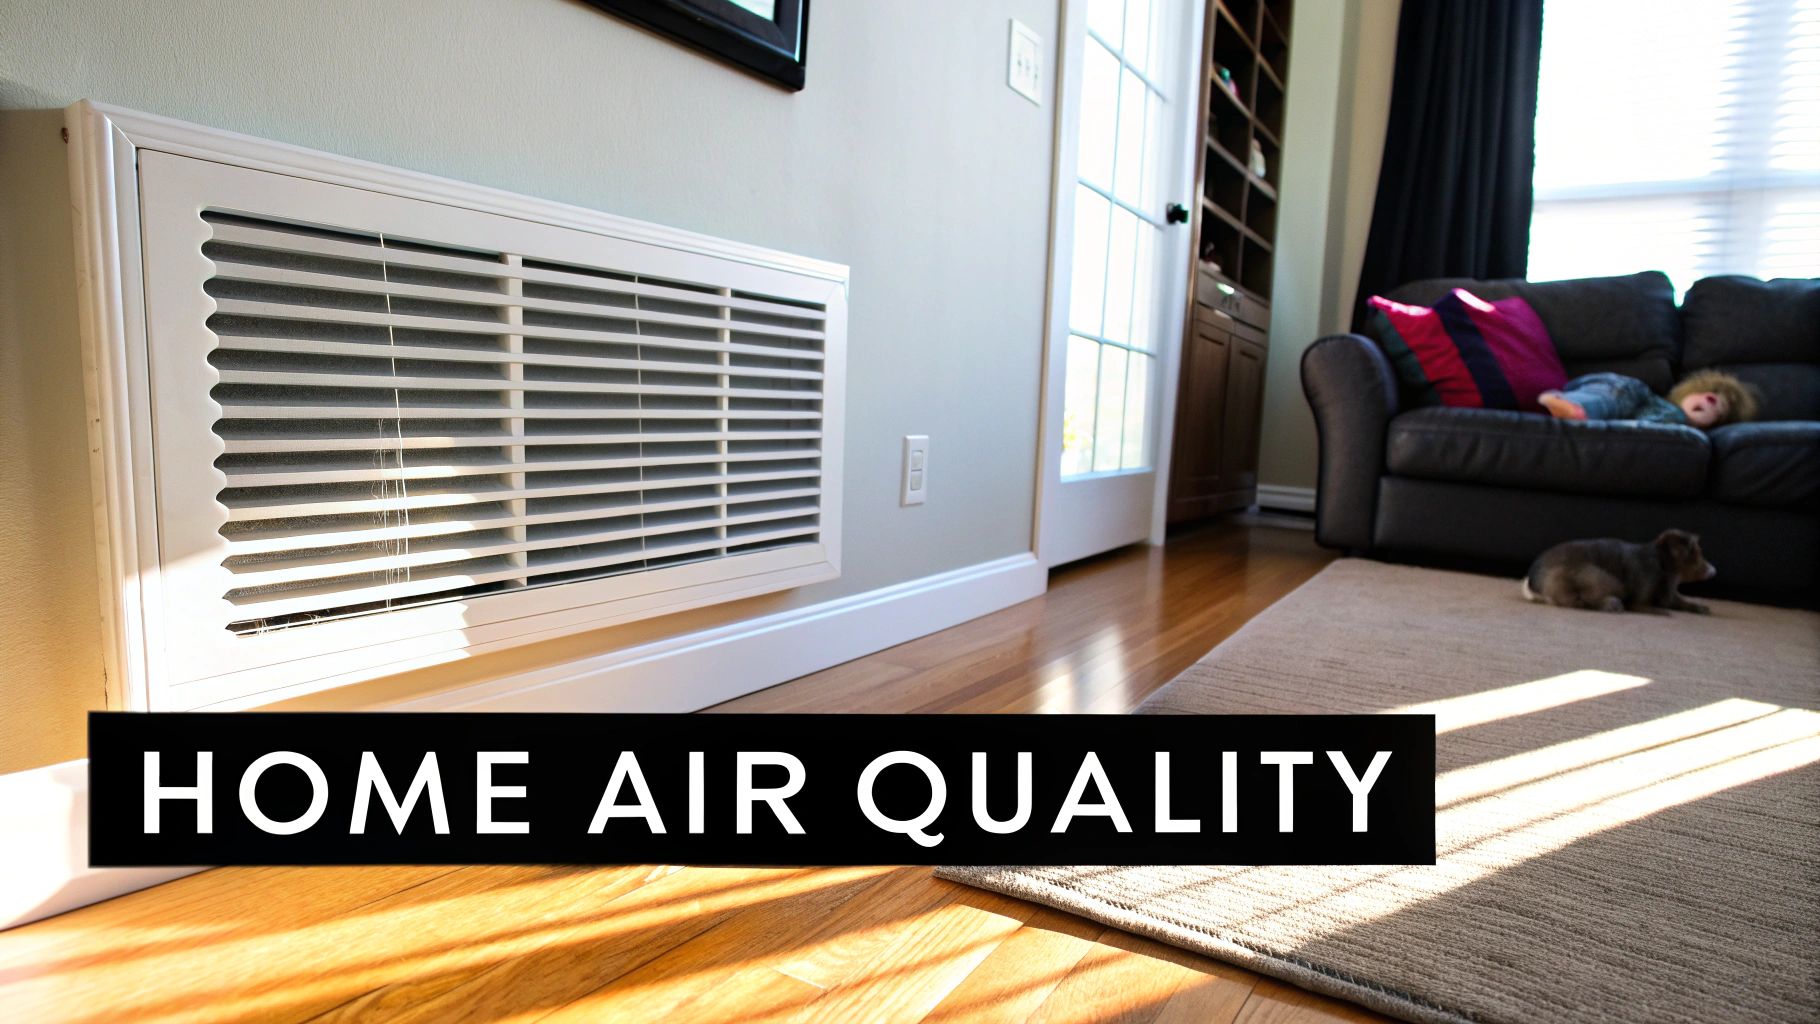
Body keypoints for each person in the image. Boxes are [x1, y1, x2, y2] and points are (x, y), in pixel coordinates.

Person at [1537, 369, 1758, 429]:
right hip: (1616, 389)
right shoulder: (1663, 404)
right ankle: (1572, 406)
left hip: (1620, 411)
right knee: (1616, 394)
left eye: (1719, 409)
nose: (1711, 401)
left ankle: (1572, 408)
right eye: (1708, 396)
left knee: (1609, 401)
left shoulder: (1681, 425)